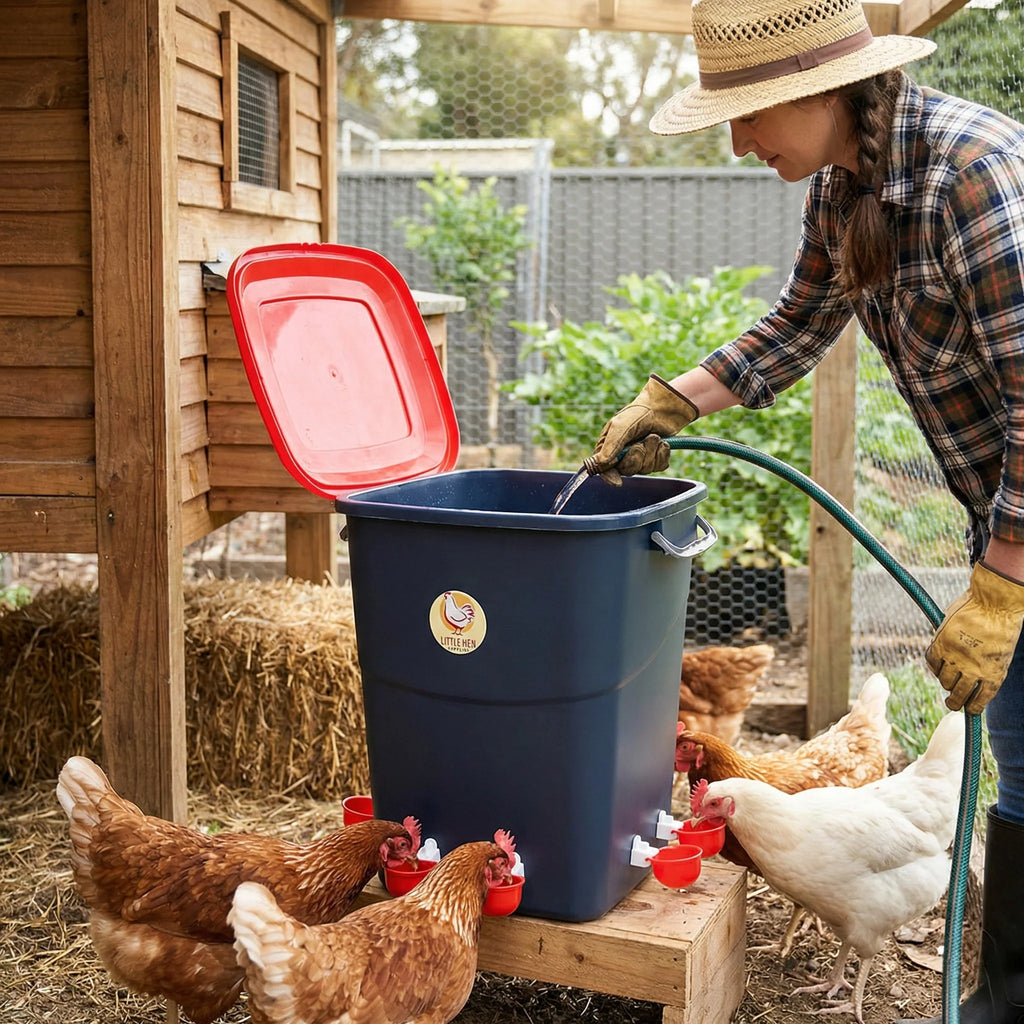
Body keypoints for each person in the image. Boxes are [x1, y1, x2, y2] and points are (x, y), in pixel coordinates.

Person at [586, 0, 1024, 1020]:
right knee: (1023, 769)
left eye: (746, 116)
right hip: (1001, 514)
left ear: (816, 91)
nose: (739, 142)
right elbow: (797, 323)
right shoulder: (843, 189)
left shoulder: (972, 174)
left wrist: (1001, 580)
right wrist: (670, 397)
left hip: (1015, 529)